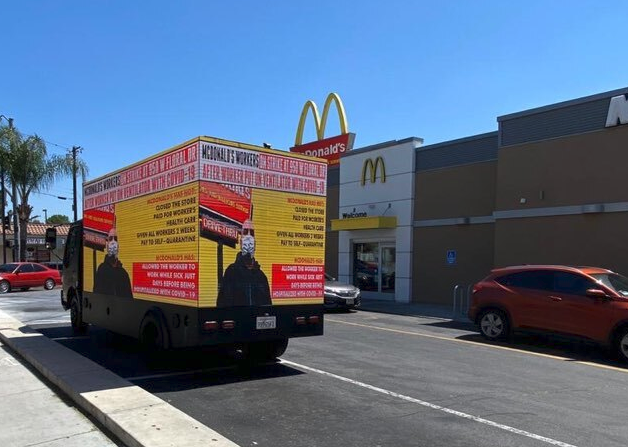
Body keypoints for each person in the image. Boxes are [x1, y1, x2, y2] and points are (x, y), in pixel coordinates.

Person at [217, 219, 271, 307]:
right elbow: (222, 305)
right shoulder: (231, 272)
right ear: (241, 243)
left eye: (252, 233)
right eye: (245, 232)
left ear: (255, 244)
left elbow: (268, 307)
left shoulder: (261, 277)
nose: (249, 237)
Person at [94, 227, 133, 298]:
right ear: (107, 244)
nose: (113, 242)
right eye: (110, 239)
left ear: (118, 245)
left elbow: (129, 298)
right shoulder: (102, 269)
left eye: (115, 239)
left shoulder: (123, 273)